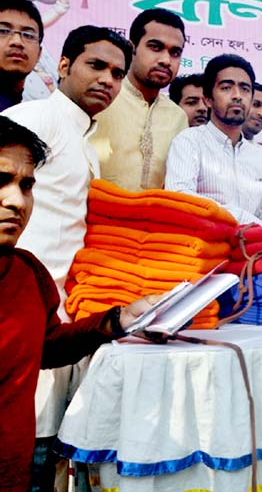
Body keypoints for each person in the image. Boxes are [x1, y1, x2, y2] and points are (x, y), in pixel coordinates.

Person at [1, 24, 131, 492]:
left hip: (51, 321)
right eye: (96, 66)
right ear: (62, 66)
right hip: (12, 317)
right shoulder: (33, 118)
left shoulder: (87, 142)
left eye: (117, 73)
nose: (107, 80)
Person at [0, 115, 157, 492]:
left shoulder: (26, 271)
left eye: (26, 185)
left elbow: (45, 347)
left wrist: (114, 321)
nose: (17, 201)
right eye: (0, 182)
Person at [165, 54, 262, 225]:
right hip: (201, 246)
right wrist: (242, 218)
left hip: (249, 249)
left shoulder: (261, 157)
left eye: (245, 89)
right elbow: (180, 196)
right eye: (226, 88)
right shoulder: (189, 141)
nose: (237, 96)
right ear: (208, 99)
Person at [89, 8, 188, 191]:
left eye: (175, 52)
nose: (166, 60)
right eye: (155, 47)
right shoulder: (102, 98)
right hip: (92, 215)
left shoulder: (178, 117)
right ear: (131, 48)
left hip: (154, 217)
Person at [0, 0, 43, 111]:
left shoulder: (32, 119)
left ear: (39, 54)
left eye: (28, 35)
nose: (17, 42)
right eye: (3, 31)